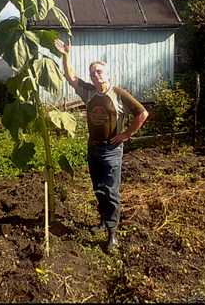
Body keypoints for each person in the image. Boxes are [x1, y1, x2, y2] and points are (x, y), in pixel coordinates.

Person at [55, 37, 149, 253]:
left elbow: (142, 113)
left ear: (107, 74)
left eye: (99, 72)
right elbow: (71, 77)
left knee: (111, 192)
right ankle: (102, 221)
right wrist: (66, 55)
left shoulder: (118, 94)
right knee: (98, 188)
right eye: (92, 73)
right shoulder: (89, 92)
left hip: (111, 150)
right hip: (93, 148)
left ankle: (112, 234)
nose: (95, 76)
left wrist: (126, 134)